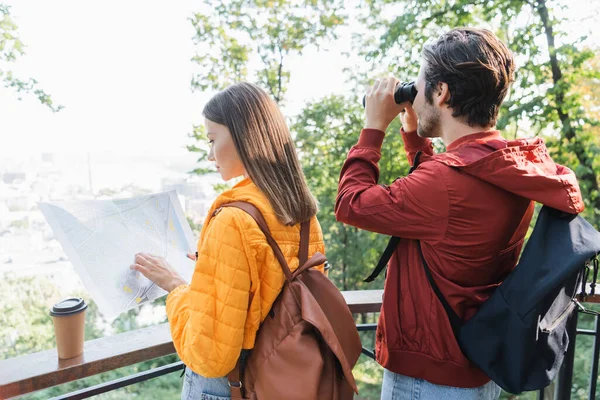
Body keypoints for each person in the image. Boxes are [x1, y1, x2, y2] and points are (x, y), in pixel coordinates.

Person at [335, 28, 584, 400]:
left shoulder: (448, 182)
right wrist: (413, 133)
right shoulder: (507, 164)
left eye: (418, 86)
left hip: (429, 376)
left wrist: (373, 129)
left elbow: (350, 202)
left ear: (441, 92)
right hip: (476, 364)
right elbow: (442, 201)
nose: (414, 96)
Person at [131, 82, 325, 400]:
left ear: (244, 136)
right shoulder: (303, 214)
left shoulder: (233, 218)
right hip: (289, 376)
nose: (210, 155)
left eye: (212, 140)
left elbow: (211, 355)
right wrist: (214, 269)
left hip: (231, 386)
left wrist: (176, 288)